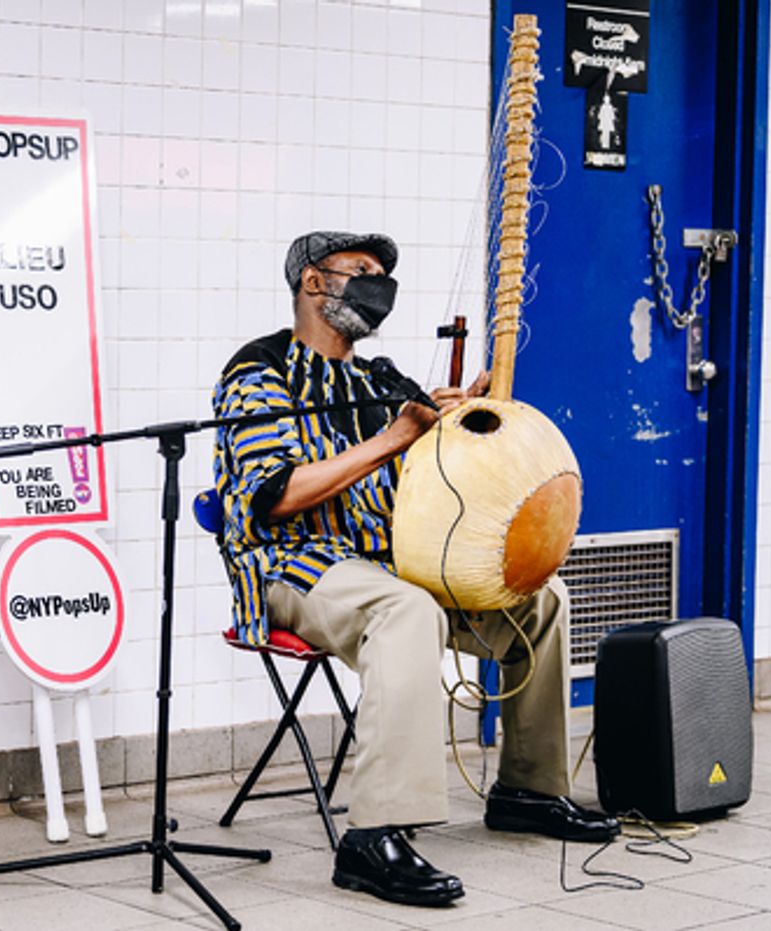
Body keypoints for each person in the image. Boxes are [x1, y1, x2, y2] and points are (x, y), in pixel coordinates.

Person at [211, 231, 618, 908]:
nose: (378, 285)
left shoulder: (379, 380)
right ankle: (372, 836)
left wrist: (467, 419)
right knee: (407, 610)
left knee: (542, 598)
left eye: (383, 274)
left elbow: (433, 460)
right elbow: (276, 494)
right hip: (292, 567)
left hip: (390, 563)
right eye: (362, 271)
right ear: (314, 282)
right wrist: (393, 437)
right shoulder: (260, 371)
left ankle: (528, 788)